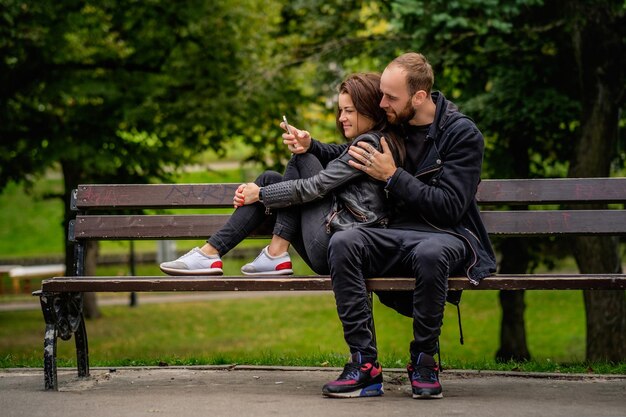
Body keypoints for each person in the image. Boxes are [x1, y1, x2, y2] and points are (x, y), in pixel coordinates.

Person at [284, 53, 496, 399]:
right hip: (389, 232)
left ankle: (425, 360)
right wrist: (313, 147)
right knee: (344, 241)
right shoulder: (396, 121)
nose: (382, 104)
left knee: (430, 251)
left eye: (390, 97)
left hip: (448, 235)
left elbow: (450, 208)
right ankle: (364, 364)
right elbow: (350, 152)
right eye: (382, 95)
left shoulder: (461, 134)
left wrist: (393, 176)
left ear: (420, 97)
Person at [159, 73, 404, 278]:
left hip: (336, 247)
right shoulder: (377, 141)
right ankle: (228, 253)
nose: (342, 118)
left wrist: (261, 194)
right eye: (340, 110)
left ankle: (221, 254)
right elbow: (339, 153)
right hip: (336, 245)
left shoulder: (368, 145)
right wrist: (311, 144)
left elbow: (316, 186)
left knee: (299, 162)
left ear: (370, 109)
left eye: (349, 111)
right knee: (271, 176)